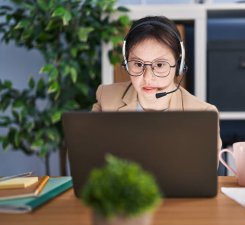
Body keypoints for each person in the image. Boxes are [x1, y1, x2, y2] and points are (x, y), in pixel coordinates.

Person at [92, 16, 222, 149]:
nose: (148, 78)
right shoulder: (106, 97)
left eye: (159, 65)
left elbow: (204, 169)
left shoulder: (203, 115)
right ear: (126, 63)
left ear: (178, 65)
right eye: (138, 63)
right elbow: (89, 155)